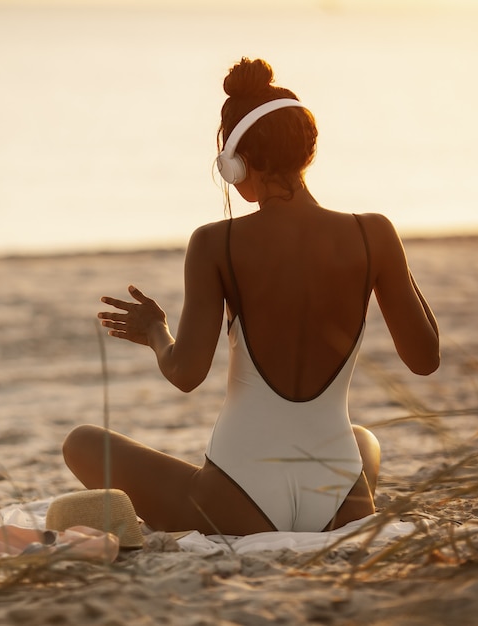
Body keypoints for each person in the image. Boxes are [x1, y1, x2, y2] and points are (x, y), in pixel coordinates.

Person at [62, 57, 440, 536]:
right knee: (364, 441)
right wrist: (391, 260)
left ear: (238, 161)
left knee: (81, 442)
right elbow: (426, 359)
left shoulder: (213, 242)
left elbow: (186, 374)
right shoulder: (376, 234)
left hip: (236, 503)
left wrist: (156, 331)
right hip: (340, 502)